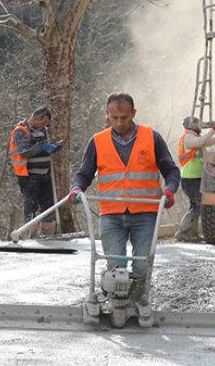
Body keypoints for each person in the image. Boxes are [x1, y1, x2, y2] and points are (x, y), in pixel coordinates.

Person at [69, 92, 180, 299]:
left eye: (125, 118)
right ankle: (115, 298)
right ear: (107, 115)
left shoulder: (151, 138)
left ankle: (139, 301)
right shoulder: (97, 142)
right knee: (115, 265)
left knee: (142, 265)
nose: (119, 123)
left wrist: (169, 190)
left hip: (145, 213)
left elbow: (171, 170)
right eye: (114, 118)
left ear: (134, 114)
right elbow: (84, 174)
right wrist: (77, 189)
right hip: (111, 213)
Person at [9, 107, 62, 238]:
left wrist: (53, 147)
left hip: (45, 174)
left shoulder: (43, 131)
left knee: (48, 206)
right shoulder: (20, 131)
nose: (44, 126)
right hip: (29, 176)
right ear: (35, 118)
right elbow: (24, 151)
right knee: (31, 207)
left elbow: (42, 147)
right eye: (43, 123)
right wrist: (41, 146)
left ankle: (48, 234)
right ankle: (30, 236)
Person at [174, 115, 215, 242]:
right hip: (190, 178)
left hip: (195, 177)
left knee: (196, 205)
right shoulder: (188, 138)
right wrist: (213, 128)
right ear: (191, 125)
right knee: (197, 205)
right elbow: (202, 142)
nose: (199, 124)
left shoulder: (195, 138)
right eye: (196, 123)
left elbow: (210, 141)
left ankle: (190, 233)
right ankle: (183, 232)